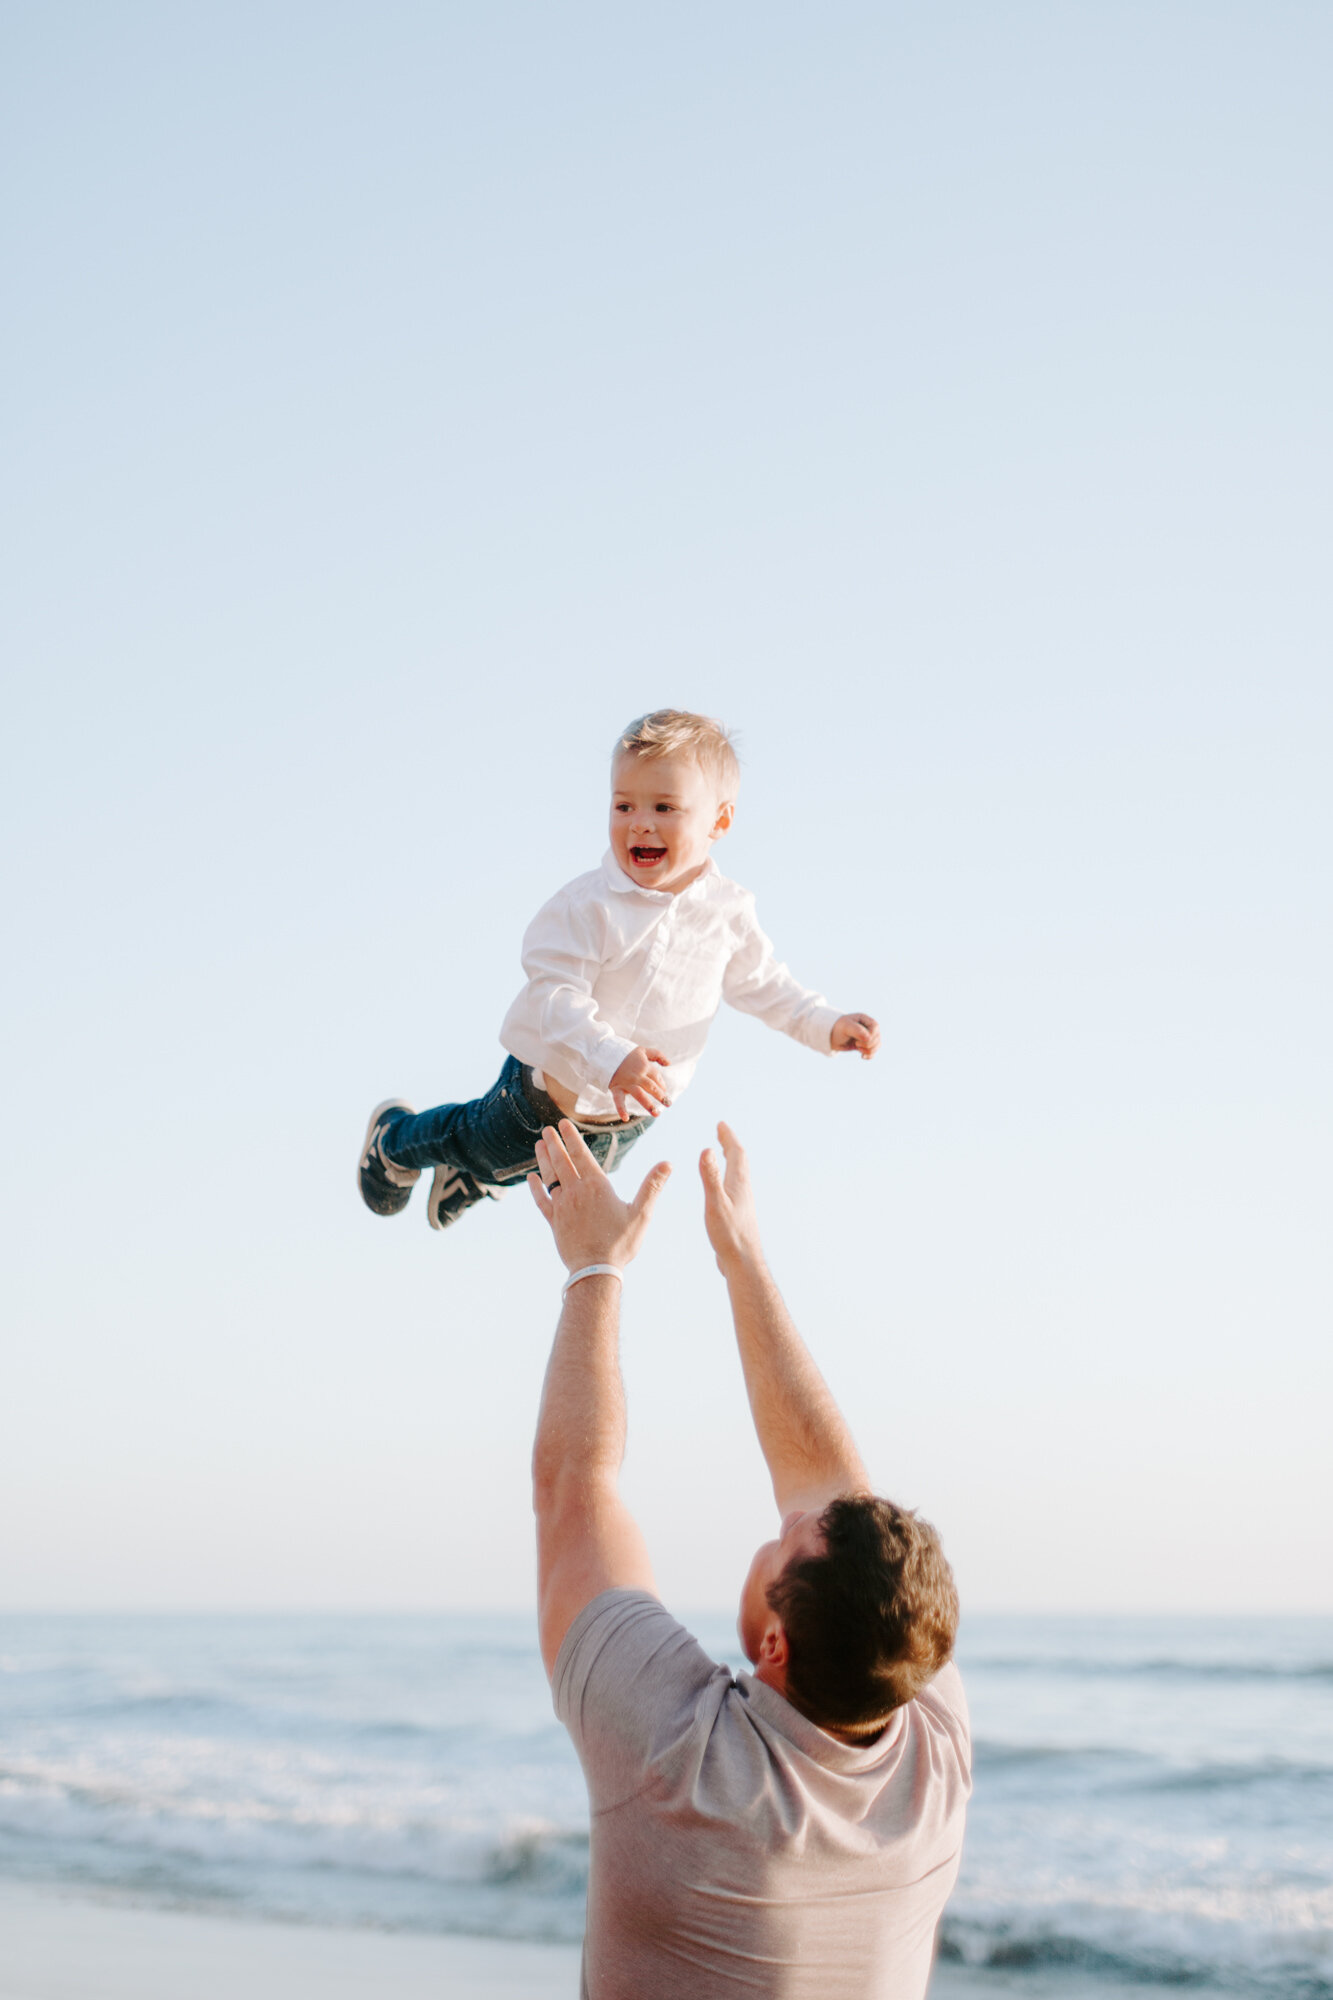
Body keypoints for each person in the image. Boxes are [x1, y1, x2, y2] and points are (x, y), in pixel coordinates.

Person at [528, 1117, 971, 2000]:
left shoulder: (677, 1760)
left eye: (781, 1546)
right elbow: (828, 1485)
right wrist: (742, 1262)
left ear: (774, 1645)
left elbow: (574, 1491)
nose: (777, 1525)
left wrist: (594, 1265)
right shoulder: (931, 1755)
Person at [356, 709, 880, 1232]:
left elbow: (765, 985)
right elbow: (552, 998)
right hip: (543, 1097)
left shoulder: (727, 912)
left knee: (552, 1182)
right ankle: (394, 1141)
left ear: (719, 821)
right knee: (476, 1141)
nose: (640, 822)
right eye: (624, 805)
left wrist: (826, 1025)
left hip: (627, 1122)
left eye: (665, 807)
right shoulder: (589, 906)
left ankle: (472, 1181)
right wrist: (613, 1058)